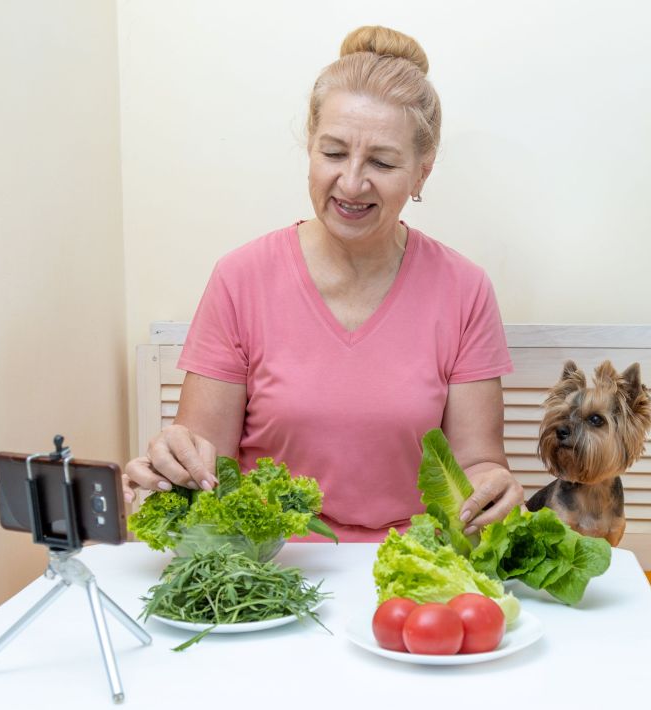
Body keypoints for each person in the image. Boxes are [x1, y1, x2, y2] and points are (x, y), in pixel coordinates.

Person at [124, 25, 523, 542]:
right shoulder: (240, 279)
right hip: (269, 564)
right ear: (309, 147)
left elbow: (476, 464)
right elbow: (206, 462)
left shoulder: (464, 289)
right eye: (333, 153)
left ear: (421, 174)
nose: (352, 183)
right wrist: (169, 473)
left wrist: (494, 487)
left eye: (381, 162)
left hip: (412, 563)